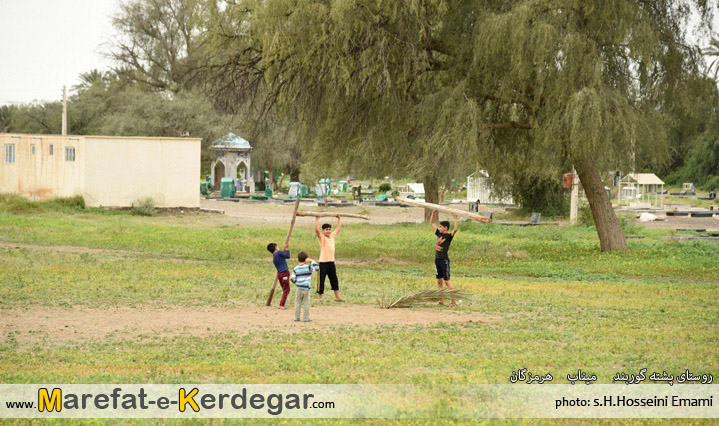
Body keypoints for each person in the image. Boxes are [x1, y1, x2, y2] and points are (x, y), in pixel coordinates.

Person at [430, 210, 458, 306]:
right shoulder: (439, 234)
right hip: (437, 260)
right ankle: (441, 301)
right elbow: (432, 223)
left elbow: (455, 229)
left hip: (444, 261)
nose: (439, 228)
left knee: (447, 281)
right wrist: (433, 213)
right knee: (439, 281)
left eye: (441, 227)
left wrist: (455, 218)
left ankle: (454, 301)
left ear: (446, 228)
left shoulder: (448, 236)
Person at [315, 215, 344, 302]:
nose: (328, 231)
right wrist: (316, 219)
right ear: (323, 231)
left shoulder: (332, 236)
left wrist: (339, 218)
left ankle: (337, 297)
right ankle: (320, 298)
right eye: (326, 230)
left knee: (334, 279)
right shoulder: (322, 238)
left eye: (329, 229)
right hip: (323, 263)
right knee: (321, 280)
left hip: (331, 262)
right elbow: (317, 230)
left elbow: (338, 229)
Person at [291, 252, 319, 322]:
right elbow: (317, 267)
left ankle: (296, 317)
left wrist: (296, 283)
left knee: (297, 302)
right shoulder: (308, 267)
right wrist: (311, 261)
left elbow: (292, 278)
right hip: (306, 288)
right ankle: (306, 318)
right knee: (306, 303)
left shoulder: (296, 268)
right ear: (306, 259)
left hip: (299, 288)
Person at [266, 242, 291, 309]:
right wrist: (287, 249)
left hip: (279, 274)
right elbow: (287, 256)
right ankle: (282, 305)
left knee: (285, 289)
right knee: (286, 289)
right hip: (284, 272)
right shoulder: (279, 252)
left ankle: (282, 303)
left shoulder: (274, 256)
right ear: (275, 247)